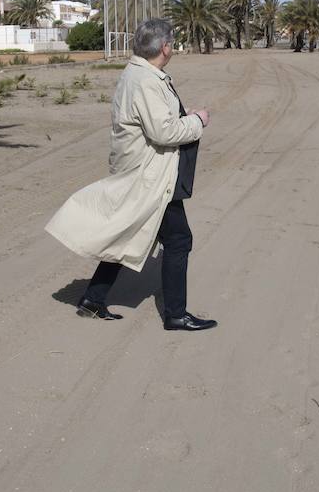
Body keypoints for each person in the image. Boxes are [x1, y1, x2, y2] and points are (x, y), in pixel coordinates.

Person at [45, 18, 216, 330]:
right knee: (179, 240)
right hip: (151, 176)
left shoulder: (140, 74)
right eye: (172, 42)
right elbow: (163, 132)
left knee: (129, 232)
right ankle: (175, 315)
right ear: (165, 47)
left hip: (146, 171)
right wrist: (198, 121)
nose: (173, 46)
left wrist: (183, 115)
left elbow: (155, 119)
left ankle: (93, 299)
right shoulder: (146, 80)